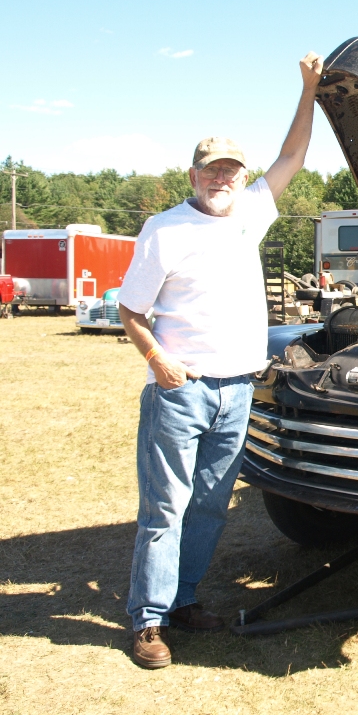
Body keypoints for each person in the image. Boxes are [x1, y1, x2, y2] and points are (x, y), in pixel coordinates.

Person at [116, 52, 324, 668]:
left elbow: (293, 155)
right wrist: (158, 360)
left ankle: (183, 599)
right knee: (165, 508)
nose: (222, 179)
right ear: (193, 175)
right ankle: (148, 621)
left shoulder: (251, 212)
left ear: (242, 176)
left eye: (231, 170)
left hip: (238, 392)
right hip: (182, 391)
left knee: (208, 505)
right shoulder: (164, 229)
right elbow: (130, 309)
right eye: (211, 170)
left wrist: (309, 90)